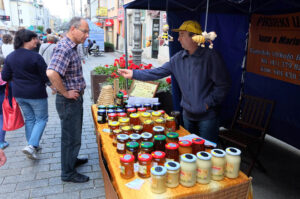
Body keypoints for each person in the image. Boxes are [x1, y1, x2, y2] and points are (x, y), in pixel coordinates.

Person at [118, 20, 231, 143]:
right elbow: (156, 72)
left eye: (182, 34)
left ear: (194, 37)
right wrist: (133, 73)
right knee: (189, 150)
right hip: (187, 115)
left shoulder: (211, 57)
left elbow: (223, 84)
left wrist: (208, 102)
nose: (178, 39)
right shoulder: (178, 59)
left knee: (207, 152)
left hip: (207, 117)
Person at [47, 17, 90, 183]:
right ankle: (68, 173)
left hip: (73, 101)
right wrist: (64, 93)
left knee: (74, 135)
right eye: (84, 31)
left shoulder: (71, 47)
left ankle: (72, 160)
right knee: (70, 137)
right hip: (68, 102)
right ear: (73, 29)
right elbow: (51, 73)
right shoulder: (65, 47)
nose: (87, 35)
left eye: (88, 32)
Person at [1, 29, 49, 159]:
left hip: (19, 93)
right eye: (34, 39)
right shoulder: (35, 57)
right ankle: (32, 146)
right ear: (26, 40)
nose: (37, 41)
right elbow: (46, 76)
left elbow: (5, 76)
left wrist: (17, 80)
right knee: (41, 119)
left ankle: (32, 146)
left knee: (30, 119)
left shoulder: (10, 56)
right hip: (36, 93)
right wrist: (53, 86)